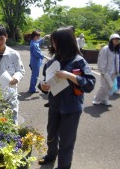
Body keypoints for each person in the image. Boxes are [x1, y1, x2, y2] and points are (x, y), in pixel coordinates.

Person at [38, 27, 96, 169]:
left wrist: (69, 75)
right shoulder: (51, 62)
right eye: (53, 42)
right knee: (51, 135)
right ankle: (51, 156)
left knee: (66, 141)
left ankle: (63, 166)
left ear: (65, 43)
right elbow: (45, 81)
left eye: (56, 42)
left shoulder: (79, 61)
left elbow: (90, 84)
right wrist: (42, 86)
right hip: (54, 106)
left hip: (71, 108)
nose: (53, 45)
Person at [92, 34, 120, 105]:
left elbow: (117, 61)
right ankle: (96, 99)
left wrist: (117, 71)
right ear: (111, 40)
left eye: (118, 39)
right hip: (106, 72)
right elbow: (101, 60)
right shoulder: (105, 49)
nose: (116, 40)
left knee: (109, 87)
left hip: (114, 72)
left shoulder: (116, 50)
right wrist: (102, 71)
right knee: (104, 86)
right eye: (115, 39)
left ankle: (105, 99)